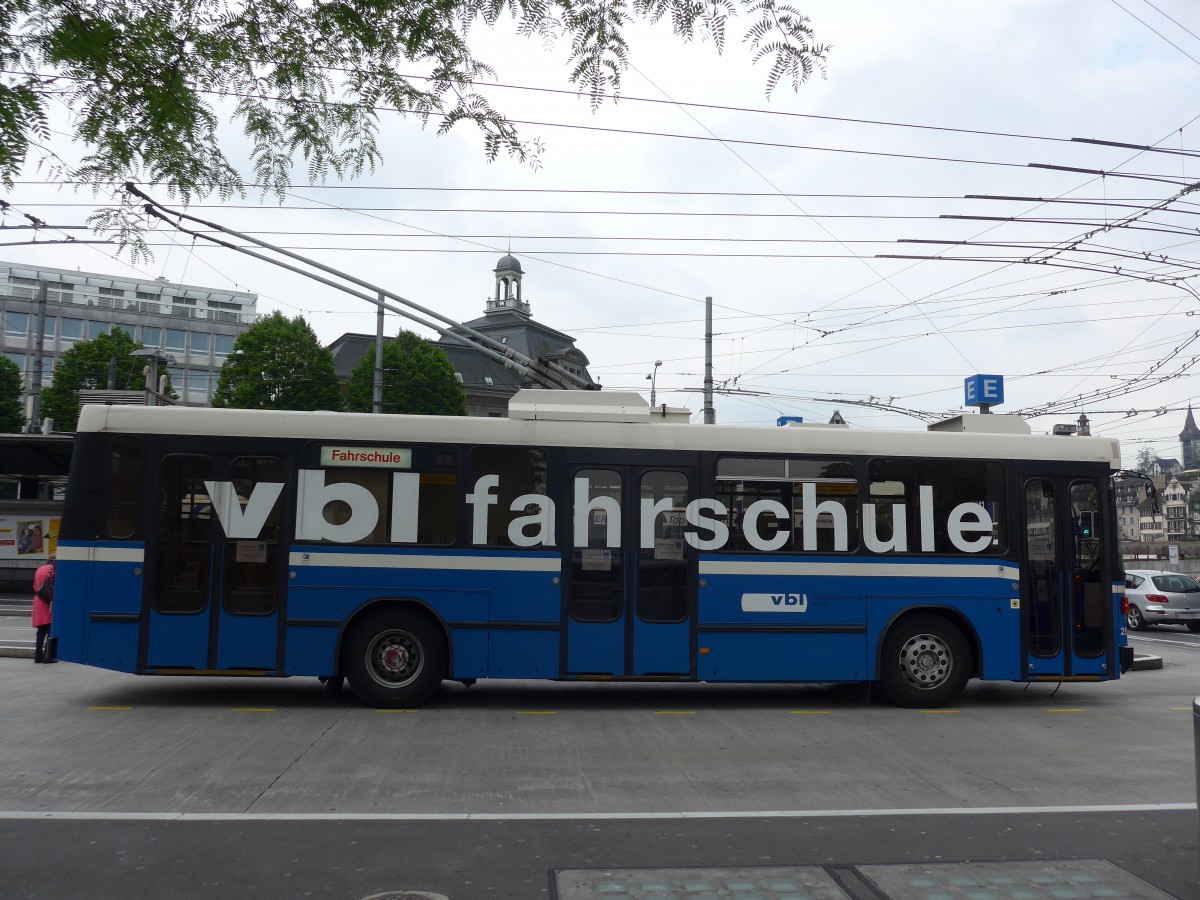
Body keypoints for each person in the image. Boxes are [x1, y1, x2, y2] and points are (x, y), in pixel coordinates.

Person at [31, 554, 57, 664]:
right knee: (51, 630)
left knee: (41, 631)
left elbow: (34, 586)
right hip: (48, 602)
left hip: (38, 601)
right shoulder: (53, 570)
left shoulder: (39, 569)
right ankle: (48, 656)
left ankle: (38, 656)